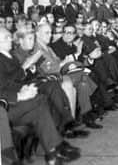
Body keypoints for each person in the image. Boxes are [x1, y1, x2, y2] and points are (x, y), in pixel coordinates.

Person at [0, 27, 80, 165]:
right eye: (6, 37)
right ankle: (56, 146)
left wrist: (24, 87)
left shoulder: (9, 56)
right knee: (41, 99)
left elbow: (15, 79)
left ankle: (52, 153)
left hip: (17, 96)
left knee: (40, 108)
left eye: (9, 36)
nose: (11, 39)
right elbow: (5, 86)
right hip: (7, 106)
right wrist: (19, 95)